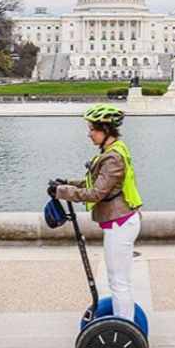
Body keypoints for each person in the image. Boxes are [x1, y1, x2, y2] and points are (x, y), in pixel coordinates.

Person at [51, 104, 143, 321]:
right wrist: (66, 183)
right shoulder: (113, 151)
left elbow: (96, 193)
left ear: (106, 130)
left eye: (93, 128)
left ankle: (125, 328)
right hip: (119, 221)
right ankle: (124, 324)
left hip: (121, 223)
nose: (89, 133)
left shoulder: (112, 158)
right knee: (118, 280)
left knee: (118, 282)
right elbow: (97, 181)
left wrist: (61, 192)